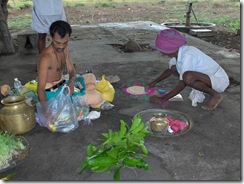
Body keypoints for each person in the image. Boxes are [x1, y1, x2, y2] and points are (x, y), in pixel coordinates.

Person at [146, 28, 229, 110]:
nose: (161, 53)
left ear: (169, 50)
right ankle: (205, 88)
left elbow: (182, 83)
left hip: (219, 80)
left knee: (188, 77)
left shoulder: (188, 56)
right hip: (207, 78)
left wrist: (163, 99)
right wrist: (154, 82)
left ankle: (215, 95)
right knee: (174, 68)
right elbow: (169, 70)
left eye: (162, 51)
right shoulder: (177, 53)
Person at [37, 20, 103, 109]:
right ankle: (87, 93)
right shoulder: (46, 58)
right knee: (98, 98)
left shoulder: (65, 49)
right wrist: (46, 111)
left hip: (62, 83)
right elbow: (40, 88)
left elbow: (72, 71)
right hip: (52, 92)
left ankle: (85, 92)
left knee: (90, 76)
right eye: (58, 43)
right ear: (51, 38)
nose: (61, 46)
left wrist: (71, 83)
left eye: (65, 42)